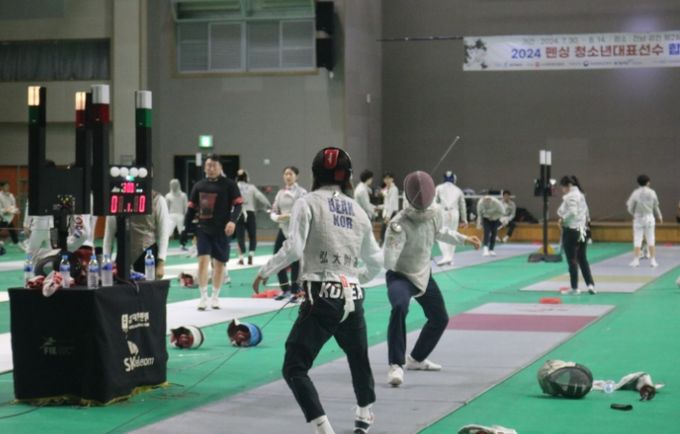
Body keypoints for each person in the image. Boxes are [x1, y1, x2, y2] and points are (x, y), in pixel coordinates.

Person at [252, 147, 383, 434]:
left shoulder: (307, 202)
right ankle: (364, 414)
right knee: (358, 356)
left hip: (322, 297)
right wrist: (354, 277)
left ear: (315, 173)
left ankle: (323, 429)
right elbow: (376, 261)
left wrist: (265, 270)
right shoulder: (358, 210)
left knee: (294, 367)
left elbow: (294, 248)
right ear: (347, 175)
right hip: (353, 296)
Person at [384, 171, 480, 387]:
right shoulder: (398, 223)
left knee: (440, 318)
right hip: (400, 275)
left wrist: (465, 239)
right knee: (399, 307)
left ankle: (416, 359)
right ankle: (396, 364)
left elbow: (442, 232)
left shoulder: (435, 214)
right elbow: (389, 259)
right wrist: (393, 244)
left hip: (423, 274)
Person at [184, 154, 242, 310]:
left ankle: (215, 296)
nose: (211, 168)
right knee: (202, 261)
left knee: (219, 264)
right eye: (208, 165)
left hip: (222, 230)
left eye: (214, 166)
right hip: (203, 229)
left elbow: (238, 205)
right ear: (204, 167)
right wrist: (185, 229)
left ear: (220, 167)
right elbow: (191, 209)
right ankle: (203, 297)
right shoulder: (198, 186)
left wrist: (232, 221)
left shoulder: (229, 185)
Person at [103, 190, 170, 278]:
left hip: (147, 256)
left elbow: (163, 233)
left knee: (148, 285)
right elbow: (109, 236)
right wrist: (106, 261)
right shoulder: (116, 200)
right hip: (122, 256)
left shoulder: (157, 200)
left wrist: (161, 263)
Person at [270, 166, 307, 301]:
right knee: (277, 258)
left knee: (295, 260)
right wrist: (276, 217)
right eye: (286, 174)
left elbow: (303, 211)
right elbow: (274, 210)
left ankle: (295, 291)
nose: (288, 176)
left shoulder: (302, 192)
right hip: (283, 229)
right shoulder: (280, 193)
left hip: (296, 230)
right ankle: (285, 289)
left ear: (296, 176)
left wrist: (289, 216)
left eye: (291, 174)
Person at [557, 175, 595, 295]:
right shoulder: (581, 195)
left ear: (568, 185)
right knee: (582, 258)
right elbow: (587, 214)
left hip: (572, 231)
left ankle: (574, 288)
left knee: (572, 260)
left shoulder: (571, 196)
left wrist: (562, 219)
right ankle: (590, 285)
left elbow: (572, 212)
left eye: (563, 187)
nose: (562, 190)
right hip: (582, 230)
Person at [235, 169, 271, 265]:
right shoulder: (251, 187)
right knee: (252, 235)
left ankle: (241, 258)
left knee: (240, 236)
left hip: (239, 213)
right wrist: (269, 205)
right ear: (246, 178)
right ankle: (251, 255)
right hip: (250, 212)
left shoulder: (234, 187)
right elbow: (261, 197)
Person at [626, 174, 662, 267]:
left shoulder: (635, 193)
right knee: (651, 238)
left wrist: (634, 214)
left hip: (638, 218)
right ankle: (653, 261)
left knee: (637, 239)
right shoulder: (652, 192)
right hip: (649, 217)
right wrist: (659, 216)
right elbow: (656, 206)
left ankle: (636, 260)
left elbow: (630, 207)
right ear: (647, 182)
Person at [434, 170, 467, 265]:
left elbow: (435, 201)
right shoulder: (458, 190)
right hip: (454, 213)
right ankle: (450, 258)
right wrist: (464, 219)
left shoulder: (438, 188)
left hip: (443, 212)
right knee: (453, 234)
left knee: (440, 235)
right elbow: (462, 205)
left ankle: (446, 256)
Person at [165, 179, 188, 250]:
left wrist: (186, 216)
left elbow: (185, 207)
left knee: (181, 231)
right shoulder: (168, 196)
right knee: (169, 231)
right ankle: (164, 246)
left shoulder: (183, 195)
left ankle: (182, 245)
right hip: (172, 216)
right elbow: (166, 207)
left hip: (179, 215)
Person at [0, 181, 20, 254]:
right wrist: (6, 210)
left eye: (8, 186)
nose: (7, 187)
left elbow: (13, 206)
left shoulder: (11, 195)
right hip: (2, 218)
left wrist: (15, 210)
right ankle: (17, 243)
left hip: (9, 217)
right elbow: (0, 209)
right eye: (6, 186)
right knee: (12, 230)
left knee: (12, 231)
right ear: (1, 187)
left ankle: (18, 244)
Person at [380, 172, 399, 244]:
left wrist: (388, 217)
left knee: (391, 233)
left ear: (392, 179)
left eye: (388, 178)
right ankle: (383, 246)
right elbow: (386, 203)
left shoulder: (394, 189)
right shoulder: (385, 189)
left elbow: (391, 204)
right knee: (385, 233)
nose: (387, 180)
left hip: (392, 214)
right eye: (385, 178)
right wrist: (379, 207)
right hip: (386, 213)